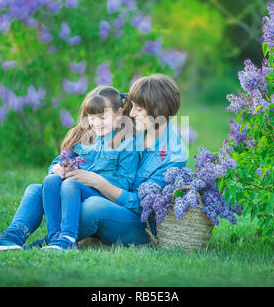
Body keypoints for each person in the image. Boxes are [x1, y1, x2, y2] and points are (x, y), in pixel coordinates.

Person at [0, 85, 139, 251]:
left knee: (71, 184)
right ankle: (14, 237)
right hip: (71, 194)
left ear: (119, 113)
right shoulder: (83, 136)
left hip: (101, 197)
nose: (96, 123)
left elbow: (123, 183)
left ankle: (66, 239)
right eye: (91, 117)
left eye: (103, 117)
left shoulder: (127, 142)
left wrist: (89, 178)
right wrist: (59, 168)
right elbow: (57, 162)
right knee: (43, 184)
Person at [26, 73, 189, 249]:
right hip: (100, 198)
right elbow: (79, 150)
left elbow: (141, 205)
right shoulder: (130, 125)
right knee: (40, 189)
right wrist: (59, 168)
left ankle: (55, 241)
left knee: (92, 206)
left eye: (138, 109)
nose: (132, 113)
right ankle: (19, 238)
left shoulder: (173, 154)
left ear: (158, 110)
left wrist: (97, 182)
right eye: (132, 106)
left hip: (136, 222)